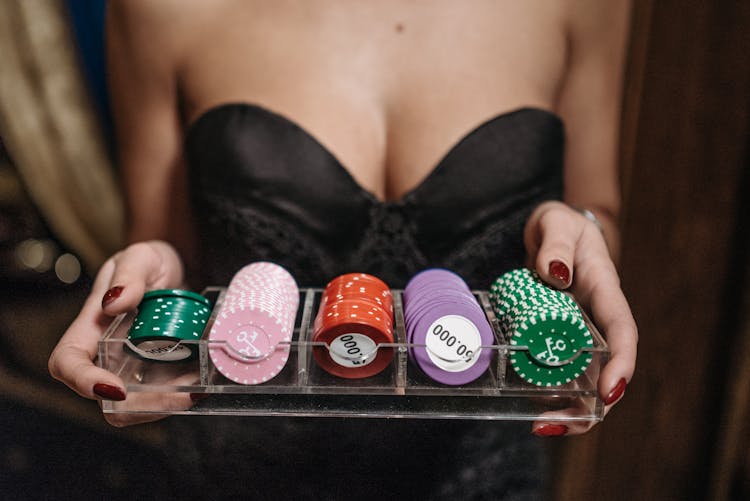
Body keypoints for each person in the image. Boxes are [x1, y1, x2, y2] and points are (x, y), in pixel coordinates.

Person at [49, 1, 637, 498]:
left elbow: (597, 212)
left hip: (485, 476)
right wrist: (144, 283)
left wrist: (576, 228)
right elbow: (168, 247)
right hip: (240, 475)